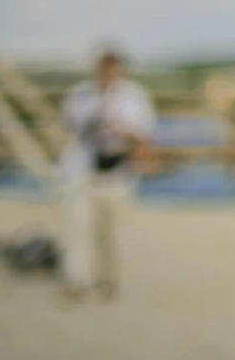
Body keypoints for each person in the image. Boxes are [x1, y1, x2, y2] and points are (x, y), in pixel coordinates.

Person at [57, 47, 155, 301]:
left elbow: (145, 136)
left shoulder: (135, 97)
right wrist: (100, 109)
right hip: (83, 169)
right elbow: (72, 126)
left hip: (117, 170)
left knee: (112, 231)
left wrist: (124, 130)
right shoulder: (80, 95)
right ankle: (76, 280)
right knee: (79, 227)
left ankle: (108, 280)